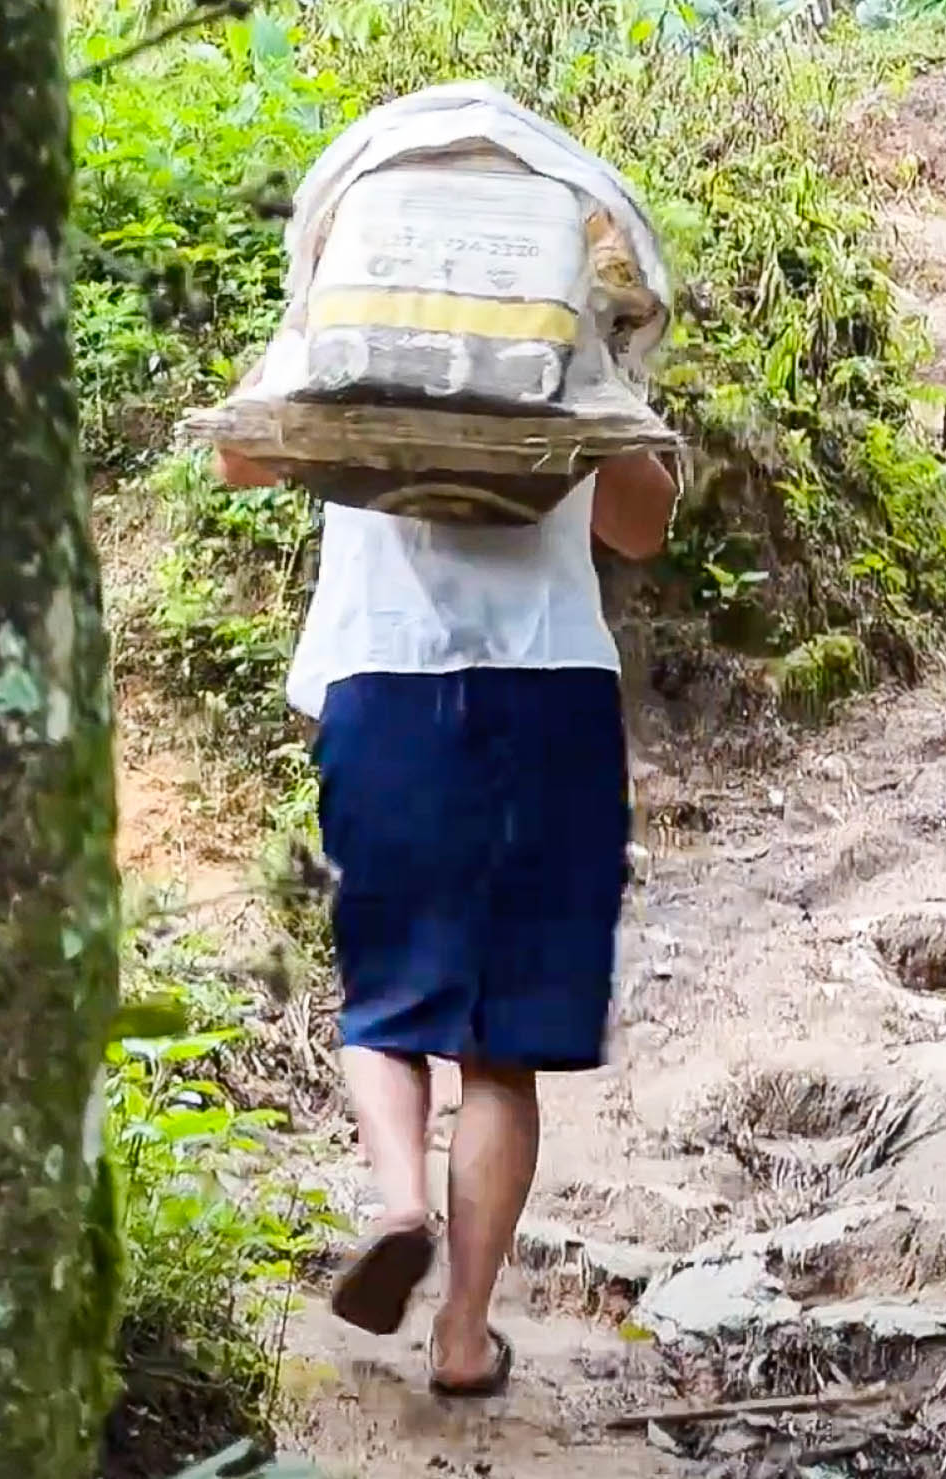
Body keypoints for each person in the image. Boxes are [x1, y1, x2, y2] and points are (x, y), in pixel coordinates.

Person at [216, 436, 677, 1396]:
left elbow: (241, 458)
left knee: (386, 1000)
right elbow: (642, 524)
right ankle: (464, 1333)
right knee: (501, 1049)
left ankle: (399, 1206)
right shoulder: (570, 310)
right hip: (550, 686)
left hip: (383, 670)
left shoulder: (357, 295)